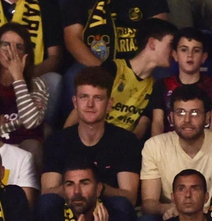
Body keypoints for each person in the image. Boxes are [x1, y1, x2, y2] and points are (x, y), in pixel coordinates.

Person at [139, 85, 212, 220]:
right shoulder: (154, 146)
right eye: (180, 113)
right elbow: (148, 203)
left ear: (207, 118)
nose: (187, 120)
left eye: (194, 113)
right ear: (171, 117)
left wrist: (207, 213)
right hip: (171, 218)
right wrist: (169, 209)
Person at [43, 69, 144, 207]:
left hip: (109, 213)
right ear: (75, 102)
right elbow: (47, 193)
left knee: (122, 205)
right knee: (47, 203)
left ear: (109, 104)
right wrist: (79, 189)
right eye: (84, 97)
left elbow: (130, 197)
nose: (90, 104)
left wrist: (97, 188)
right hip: (67, 212)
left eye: (98, 98)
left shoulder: (126, 141)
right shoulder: (57, 141)